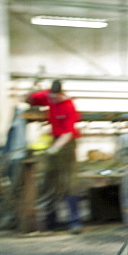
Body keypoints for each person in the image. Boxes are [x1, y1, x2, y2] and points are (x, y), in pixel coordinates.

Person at [26, 80, 82, 233]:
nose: (51, 100)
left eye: (55, 98)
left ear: (61, 94)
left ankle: (74, 222)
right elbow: (28, 98)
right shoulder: (48, 96)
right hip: (54, 140)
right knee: (49, 181)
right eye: (50, 97)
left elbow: (68, 133)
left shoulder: (69, 106)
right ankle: (51, 222)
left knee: (70, 182)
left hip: (67, 144)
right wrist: (29, 95)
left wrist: (54, 149)